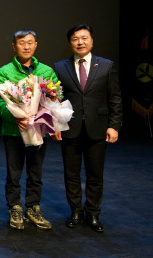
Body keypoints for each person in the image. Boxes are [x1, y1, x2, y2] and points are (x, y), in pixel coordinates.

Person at [53, 23, 122, 233]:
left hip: (98, 129)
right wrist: (55, 124)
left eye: (84, 38)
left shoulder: (106, 66)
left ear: (92, 41)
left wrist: (114, 125)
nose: (80, 42)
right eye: (75, 39)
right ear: (70, 43)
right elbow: (55, 98)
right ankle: (75, 211)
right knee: (71, 174)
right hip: (69, 128)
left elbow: (115, 98)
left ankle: (93, 213)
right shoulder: (60, 67)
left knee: (95, 174)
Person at [0, 29, 58, 230]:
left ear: (36, 45)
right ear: (14, 46)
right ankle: (15, 207)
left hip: (39, 131)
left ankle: (33, 207)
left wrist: (46, 117)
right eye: (22, 43)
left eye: (30, 42)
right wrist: (15, 117)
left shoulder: (46, 71)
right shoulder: (4, 72)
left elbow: (54, 99)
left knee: (36, 171)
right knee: (14, 172)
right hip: (13, 132)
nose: (26, 46)